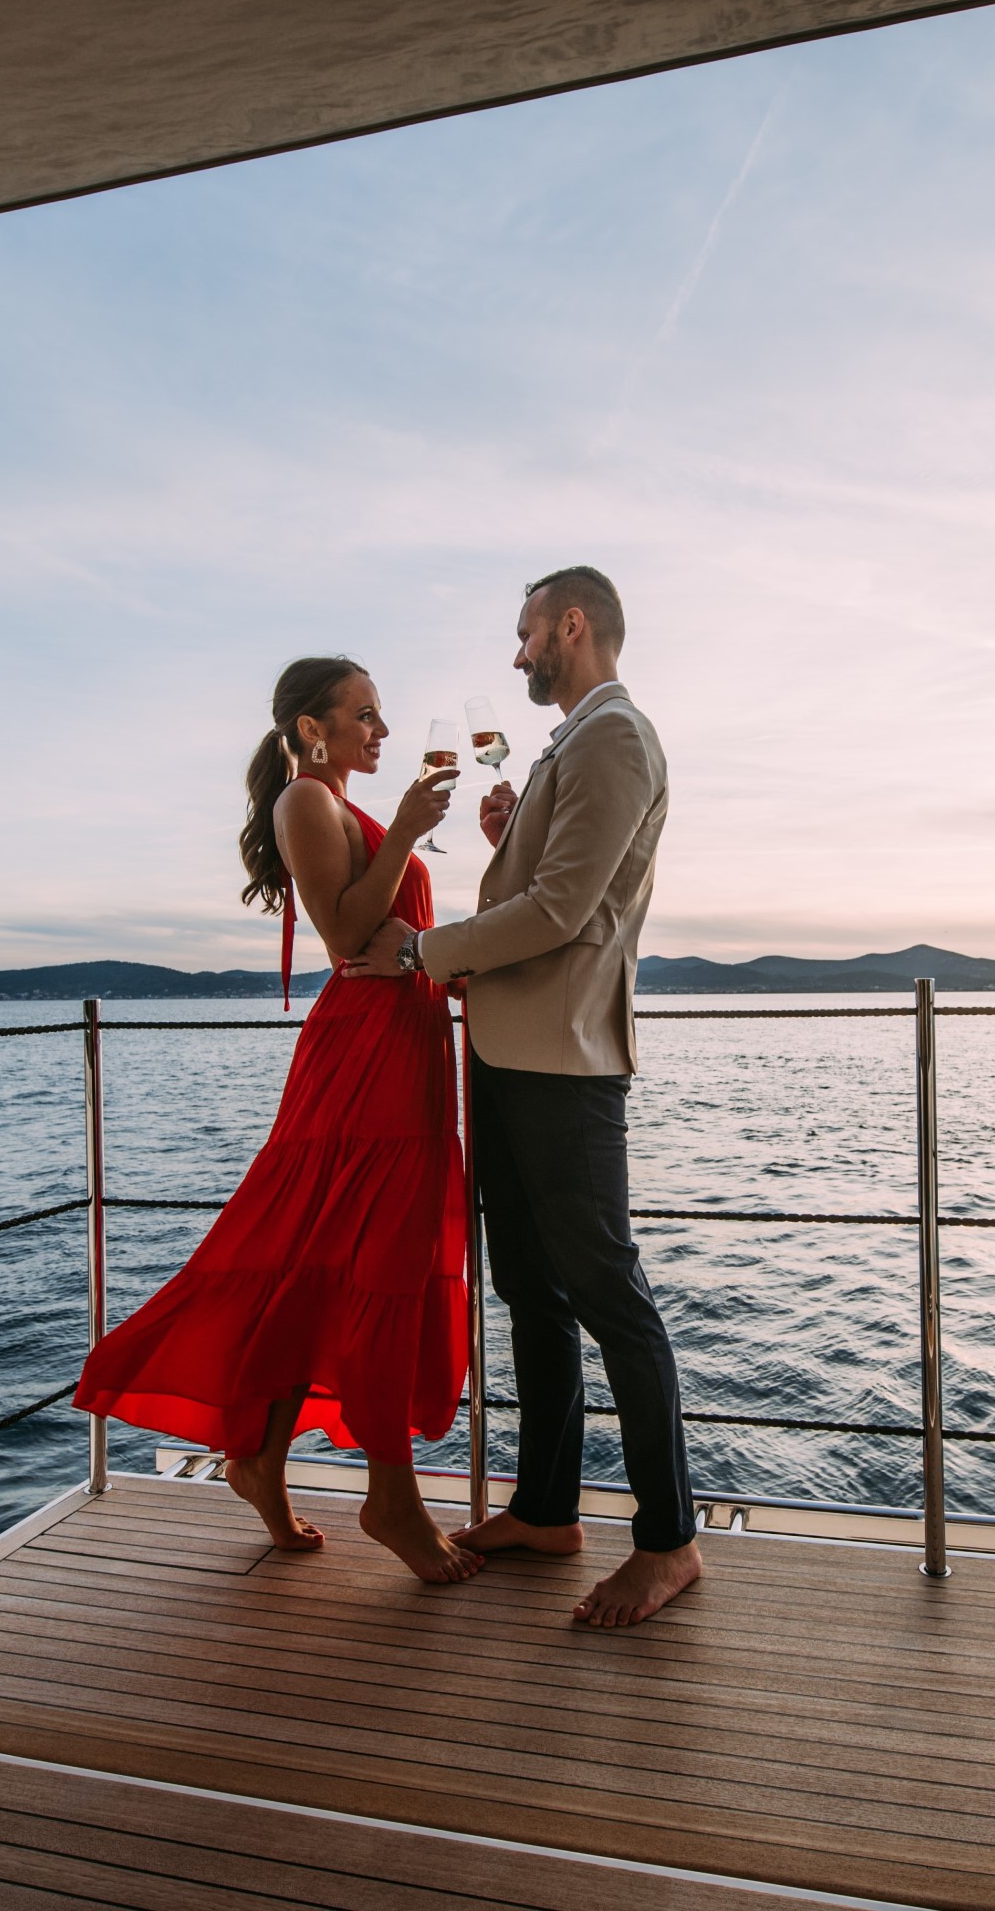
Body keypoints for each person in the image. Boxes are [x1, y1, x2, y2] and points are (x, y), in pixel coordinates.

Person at [73, 657, 484, 1584]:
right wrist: (408, 835)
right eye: (364, 716)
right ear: (311, 729)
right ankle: (393, 1496)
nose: (380, 732)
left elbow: (396, 941)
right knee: (367, 1264)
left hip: (406, 1049)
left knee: (331, 1264)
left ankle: (259, 1459)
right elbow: (345, 938)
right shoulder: (307, 800)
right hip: (366, 1066)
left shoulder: (347, 807)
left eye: (382, 715)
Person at [348, 567, 701, 1626]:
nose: (516, 656)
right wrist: (511, 839)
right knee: (530, 1295)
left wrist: (425, 952)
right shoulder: (574, 745)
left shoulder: (614, 737)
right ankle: (546, 1508)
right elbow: (551, 883)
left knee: (610, 1300)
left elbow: (561, 911)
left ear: (572, 626)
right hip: (510, 1053)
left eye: (526, 634)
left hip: (564, 1064)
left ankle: (671, 1540)